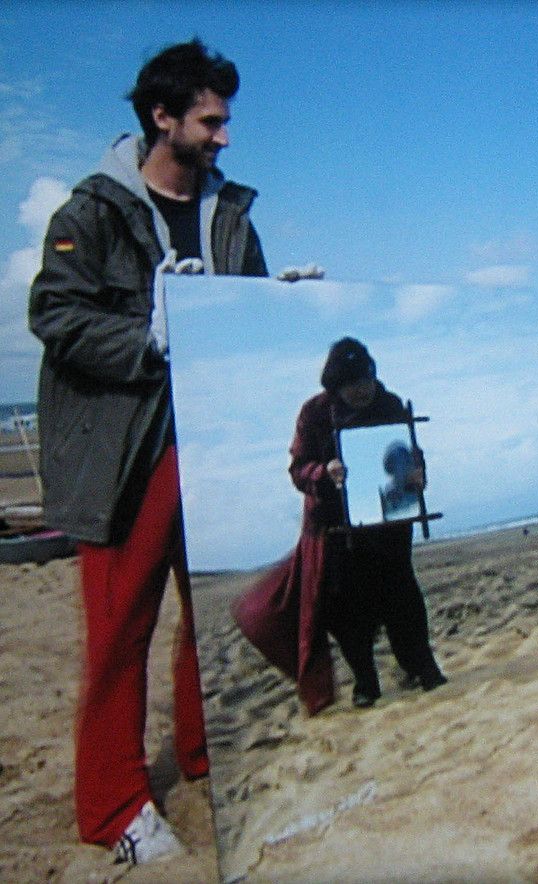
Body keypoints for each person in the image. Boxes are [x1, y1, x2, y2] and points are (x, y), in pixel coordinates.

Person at [27, 39, 269, 864]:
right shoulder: (89, 213)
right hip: (126, 453)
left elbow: (249, 318)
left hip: (213, 446)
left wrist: (281, 306)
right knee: (120, 630)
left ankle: (206, 757)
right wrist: (148, 339)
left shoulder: (231, 212)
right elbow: (56, 317)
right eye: (211, 120)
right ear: (161, 118)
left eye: (227, 120)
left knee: (211, 613)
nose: (225, 137)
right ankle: (113, 807)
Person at [234, 337, 446, 715]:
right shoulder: (314, 414)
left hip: (388, 524)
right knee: (350, 613)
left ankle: (421, 668)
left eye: (365, 379)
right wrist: (323, 472)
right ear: (335, 386)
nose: (361, 390)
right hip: (337, 531)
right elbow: (298, 469)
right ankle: (366, 682)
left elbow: (410, 451)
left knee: (404, 600)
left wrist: (417, 475)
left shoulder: (390, 404)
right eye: (351, 384)